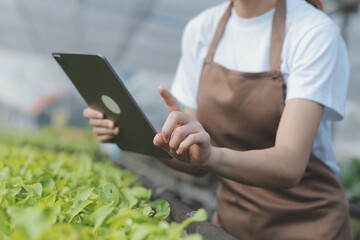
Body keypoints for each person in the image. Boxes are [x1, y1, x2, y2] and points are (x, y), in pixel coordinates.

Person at [83, 0, 352, 238]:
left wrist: (213, 157)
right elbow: (195, 162)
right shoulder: (202, 29)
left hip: (307, 224)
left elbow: (289, 165)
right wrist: (138, 135)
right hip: (230, 224)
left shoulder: (312, 31)